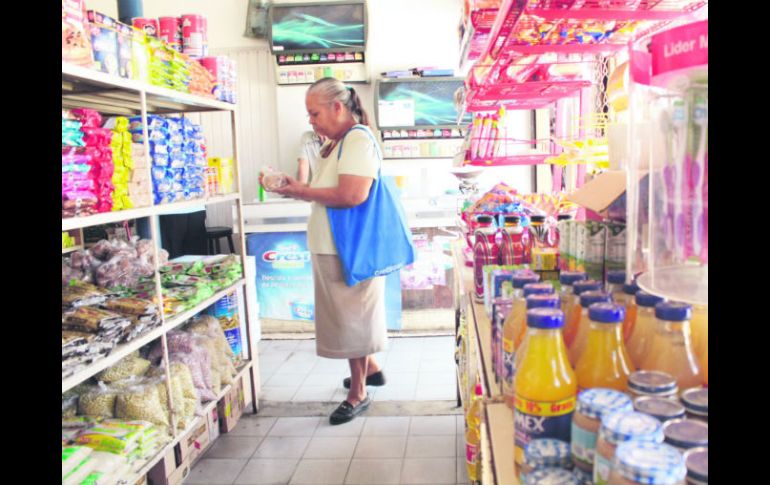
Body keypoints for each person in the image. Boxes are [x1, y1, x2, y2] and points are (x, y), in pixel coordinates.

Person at [262, 77, 387, 425]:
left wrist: (299, 192)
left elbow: (351, 195)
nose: (311, 121)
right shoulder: (336, 144)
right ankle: (371, 369)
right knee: (347, 318)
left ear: (337, 107)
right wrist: (295, 187)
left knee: (352, 321)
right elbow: (328, 191)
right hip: (332, 247)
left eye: (314, 113)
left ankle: (358, 393)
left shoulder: (357, 140)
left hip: (348, 249)